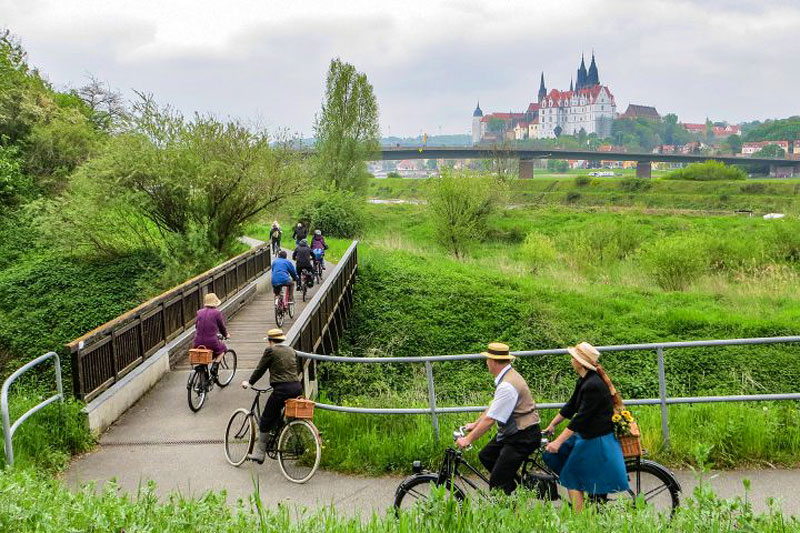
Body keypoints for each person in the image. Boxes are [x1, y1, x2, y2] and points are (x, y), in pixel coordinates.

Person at [542, 342, 629, 511]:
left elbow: (580, 419)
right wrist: (552, 425)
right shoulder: (584, 380)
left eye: (573, 357)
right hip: (587, 435)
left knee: (570, 476)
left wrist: (558, 442)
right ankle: (585, 504)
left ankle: (580, 520)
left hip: (597, 439)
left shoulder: (593, 385)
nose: (571, 360)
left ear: (580, 362)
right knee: (553, 456)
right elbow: (571, 406)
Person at [456, 342, 541, 495]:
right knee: (487, 456)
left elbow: (490, 420)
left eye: (487, 359)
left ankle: (511, 508)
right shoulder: (508, 377)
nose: (486, 362)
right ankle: (516, 488)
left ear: (493, 362)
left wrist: (467, 440)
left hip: (522, 437)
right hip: (514, 433)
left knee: (497, 483)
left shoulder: (507, 385)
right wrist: (475, 424)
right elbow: (494, 408)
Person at [241, 328, 303, 463]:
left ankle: (259, 453)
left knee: (266, 418)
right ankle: (280, 437)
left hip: (282, 389)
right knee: (279, 414)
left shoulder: (270, 351)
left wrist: (250, 382)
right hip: (296, 387)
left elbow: (260, 369)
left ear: (270, 341)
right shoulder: (291, 350)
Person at [192, 293, 230, 378]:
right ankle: (215, 367)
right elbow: (221, 327)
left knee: (203, 357)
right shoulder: (217, 313)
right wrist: (226, 334)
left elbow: (197, 326)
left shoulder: (199, 312)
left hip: (197, 342)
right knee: (223, 348)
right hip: (211, 342)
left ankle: (202, 381)